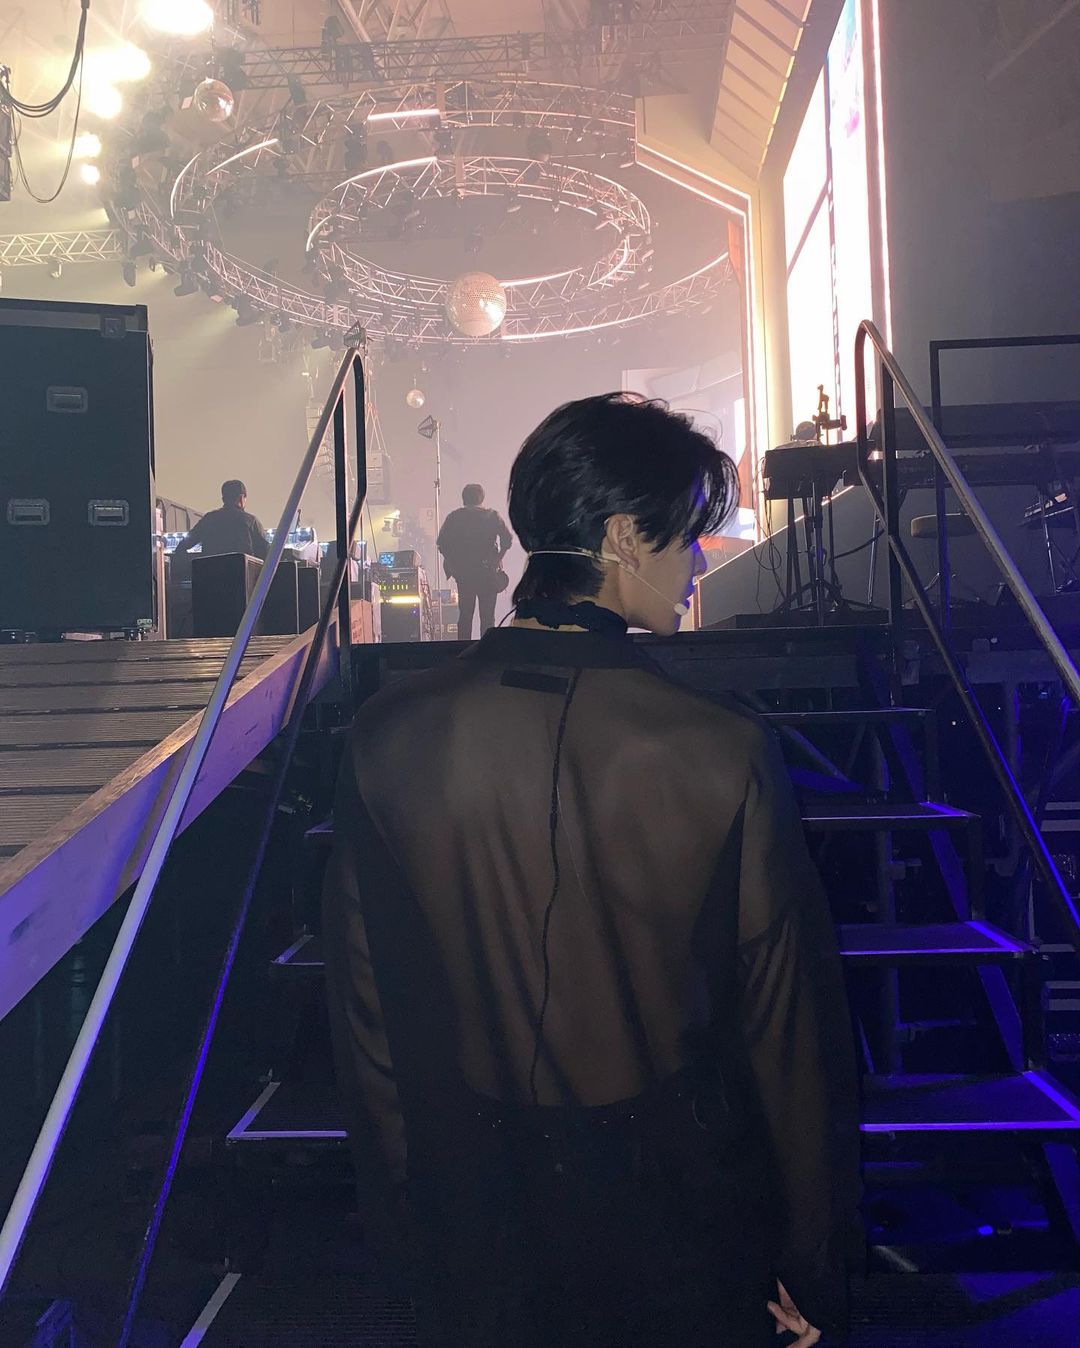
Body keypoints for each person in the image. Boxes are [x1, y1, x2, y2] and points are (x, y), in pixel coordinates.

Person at [322, 393, 861, 1348]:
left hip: (476, 1213)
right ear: (620, 537)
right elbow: (787, 1027)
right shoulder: (718, 747)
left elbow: (370, 1016)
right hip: (681, 1219)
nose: (698, 564)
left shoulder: (388, 734)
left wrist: (405, 1226)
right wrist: (815, 1257)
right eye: (685, 538)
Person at [436, 484, 512, 641]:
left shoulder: (454, 517)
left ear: (464, 499)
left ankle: (462, 649)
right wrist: (498, 558)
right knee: (488, 618)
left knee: (465, 616)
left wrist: (454, 564)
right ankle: (487, 650)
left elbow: (442, 544)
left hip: (464, 574)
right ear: (482, 498)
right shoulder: (492, 516)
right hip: (488, 573)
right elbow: (507, 539)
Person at [172, 479, 269, 561]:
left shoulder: (208, 519)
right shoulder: (251, 521)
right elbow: (266, 555)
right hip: (240, 575)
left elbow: (182, 547)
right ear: (241, 498)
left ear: (223, 499)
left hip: (211, 574)